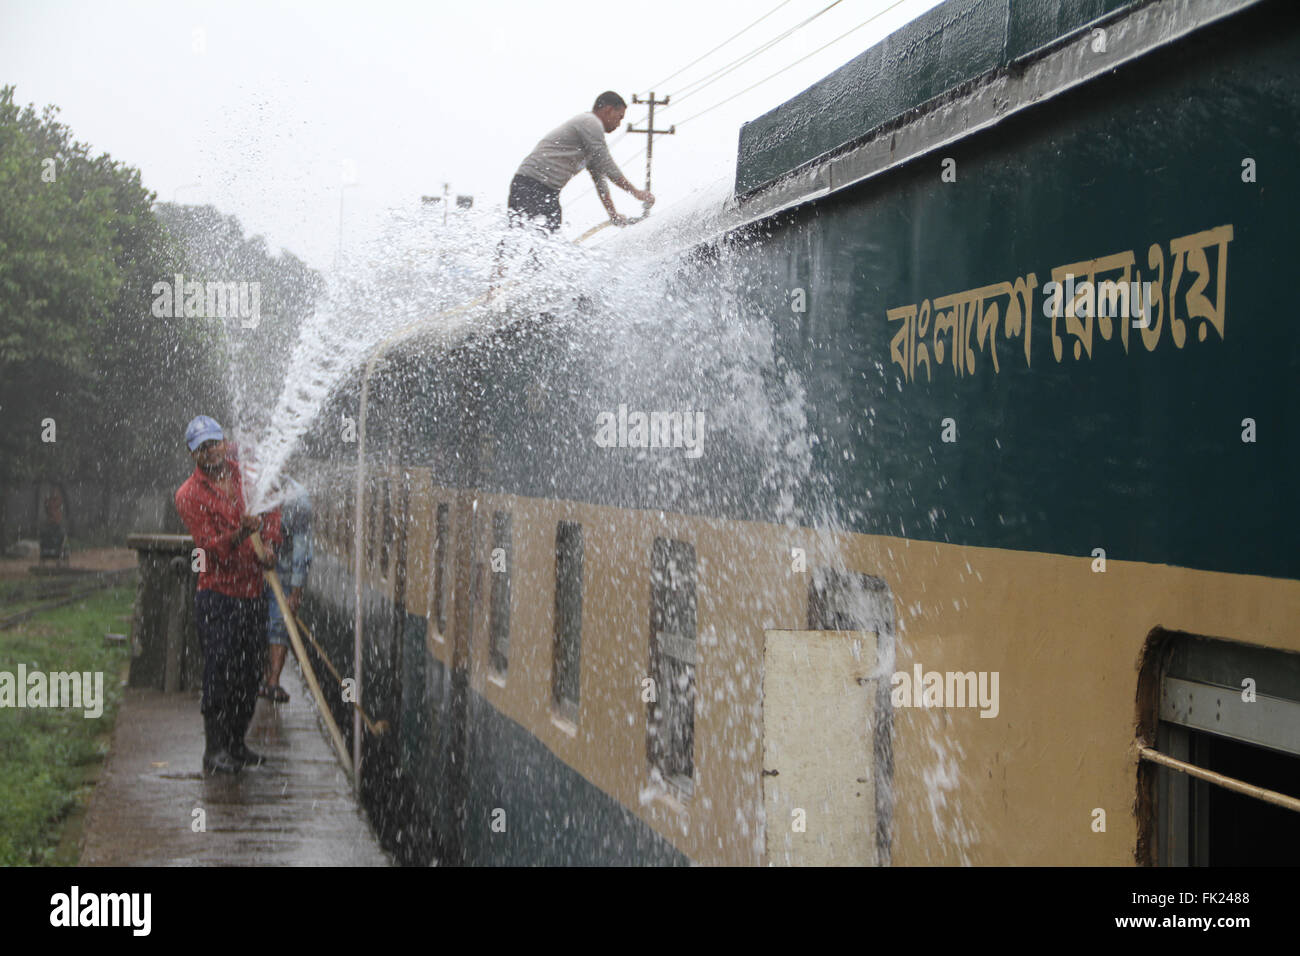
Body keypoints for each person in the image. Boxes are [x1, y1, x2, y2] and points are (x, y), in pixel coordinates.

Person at [174, 415, 282, 774]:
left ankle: (237, 743)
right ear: (193, 455)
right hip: (217, 597)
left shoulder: (247, 476)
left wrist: (268, 544)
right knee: (218, 672)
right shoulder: (188, 495)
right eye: (202, 448)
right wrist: (240, 533)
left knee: (250, 672)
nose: (211, 451)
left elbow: (273, 509)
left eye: (215, 443)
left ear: (224, 443)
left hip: (252, 592)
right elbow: (209, 548)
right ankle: (214, 750)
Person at [508, 91, 655, 233]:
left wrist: (613, 213)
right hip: (530, 184)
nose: (619, 124)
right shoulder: (591, 122)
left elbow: (600, 181)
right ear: (608, 110)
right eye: (619, 117)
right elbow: (607, 163)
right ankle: (502, 258)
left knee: (547, 237)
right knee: (521, 236)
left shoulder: (590, 139)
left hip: (548, 191)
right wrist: (636, 192)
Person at [261, 474, 311, 703]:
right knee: (267, 626)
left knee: (278, 625)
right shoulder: (248, 489)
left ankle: (272, 681)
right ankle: (266, 679)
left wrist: (296, 591)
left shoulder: (298, 499)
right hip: (252, 569)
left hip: (282, 572)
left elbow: (302, 549)